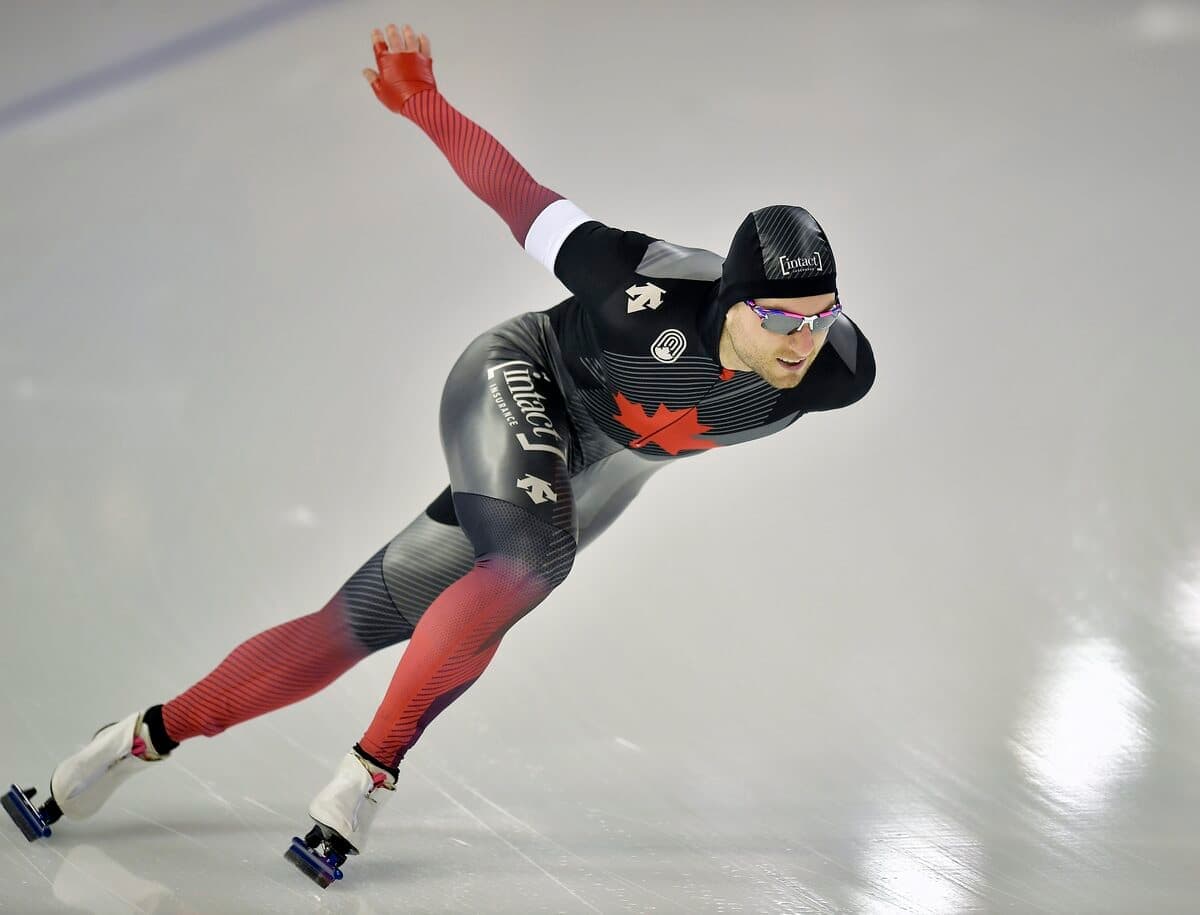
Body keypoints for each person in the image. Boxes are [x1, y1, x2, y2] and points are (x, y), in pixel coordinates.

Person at [4, 22, 875, 879]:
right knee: (536, 554)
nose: (803, 340)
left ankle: (137, 737)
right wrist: (423, 100)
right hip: (521, 375)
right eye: (779, 318)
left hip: (607, 466)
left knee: (357, 624)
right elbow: (521, 198)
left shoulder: (837, 370)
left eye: (820, 315)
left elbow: (807, 355)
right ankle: (369, 773)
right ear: (729, 303)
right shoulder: (634, 287)